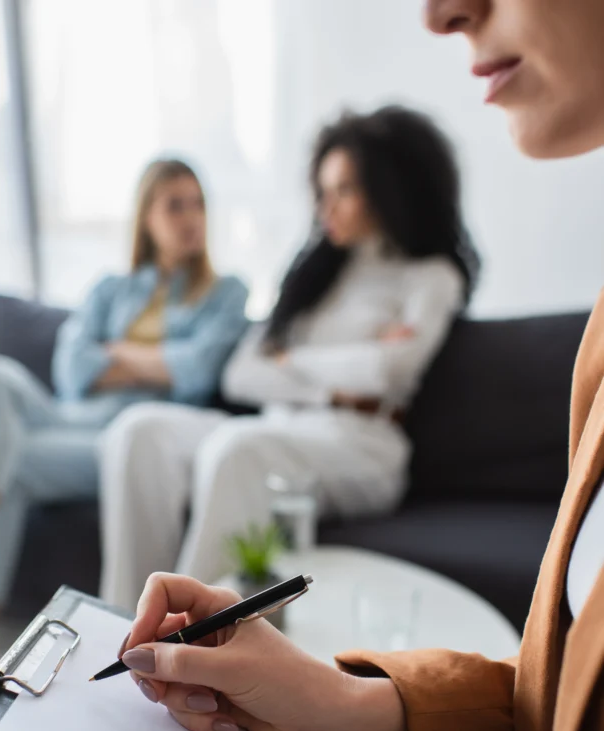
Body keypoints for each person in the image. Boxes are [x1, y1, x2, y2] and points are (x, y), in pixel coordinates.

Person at [0, 0, 604, 731]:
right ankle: (122, 644)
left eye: (347, 187)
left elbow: (366, 374)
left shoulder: (422, 276)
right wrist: (350, 705)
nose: (437, 12)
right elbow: (568, 712)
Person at [0, 158, 248, 731]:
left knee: (6, 467)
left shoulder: (225, 293)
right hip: (67, 417)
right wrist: (152, 361)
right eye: (175, 205)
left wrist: (112, 354)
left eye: (198, 204)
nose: (191, 218)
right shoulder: (110, 288)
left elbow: (197, 371)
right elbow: (71, 370)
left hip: (122, 439)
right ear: (147, 218)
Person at [99, 106, 474, 608]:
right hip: (278, 426)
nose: (326, 207)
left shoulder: (431, 277)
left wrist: (291, 363)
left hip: (361, 443)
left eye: (344, 190)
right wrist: (342, 374)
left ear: (388, 190)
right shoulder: (315, 277)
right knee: (138, 430)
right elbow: (240, 375)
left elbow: (389, 370)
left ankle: (183, 638)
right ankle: (123, 623)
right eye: (322, 191)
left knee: (238, 449)